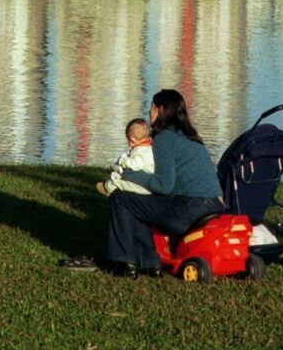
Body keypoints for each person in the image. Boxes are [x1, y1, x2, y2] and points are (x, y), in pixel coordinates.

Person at [102, 89, 223, 278]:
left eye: (151, 108)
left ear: (159, 109)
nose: (149, 113)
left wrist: (129, 174)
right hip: (214, 206)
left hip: (188, 210)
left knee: (122, 199)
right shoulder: (189, 137)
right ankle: (149, 264)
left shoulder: (164, 139)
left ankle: (123, 261)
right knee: (140, 203)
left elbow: (163, 185)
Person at [96, 119, 155, 197]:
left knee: (117, 180)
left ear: (132, 140)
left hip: (142, 186)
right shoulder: (149, 148)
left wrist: (123, 161)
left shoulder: (141, 152)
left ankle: (107, 189)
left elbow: (134, 164)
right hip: (147, 182)